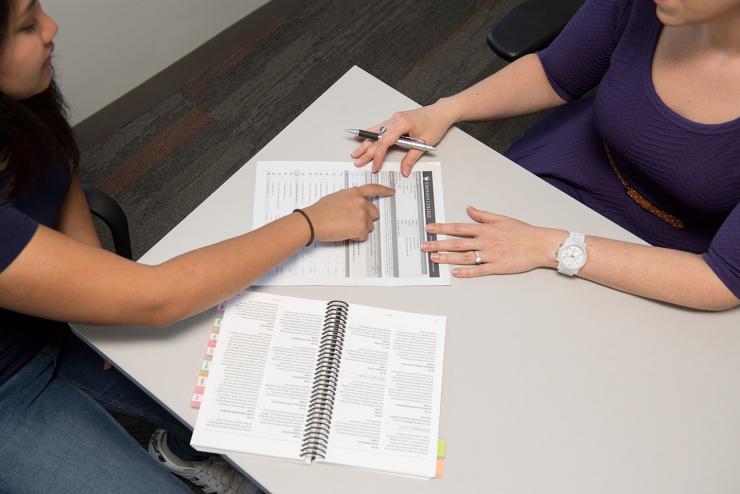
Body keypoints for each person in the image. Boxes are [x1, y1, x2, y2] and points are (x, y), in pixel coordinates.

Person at [0, 1, 394, 493]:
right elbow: (160, 297)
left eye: (39, 9)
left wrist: (95, 306)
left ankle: (181, 451)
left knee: (278, 402)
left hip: (50, 316)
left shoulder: (20, 101)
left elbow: (58, 174)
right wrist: (309, 223)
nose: (52, 29)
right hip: (8, 389)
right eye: (26, 27)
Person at [352, 0, 739, 312]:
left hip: (656, 255)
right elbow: (555, 72)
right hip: (561, 172)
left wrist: (549, 246)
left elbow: (720, 280)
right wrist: (444, 109)